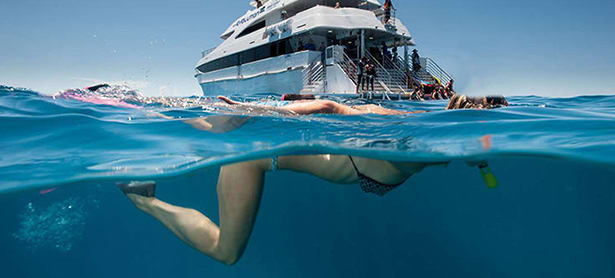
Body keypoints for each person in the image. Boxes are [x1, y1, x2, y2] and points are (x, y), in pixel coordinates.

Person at [119, 94, 507, 265]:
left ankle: (152, 111)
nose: (488, 148)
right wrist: (251, 110)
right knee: (226, 251)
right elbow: (329, 106)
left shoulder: (437, 142)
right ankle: (143, 195)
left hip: (267, 149)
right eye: (485, 138)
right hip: (249, 158)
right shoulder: (407, 138)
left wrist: (475, 153)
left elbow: (466, 148)